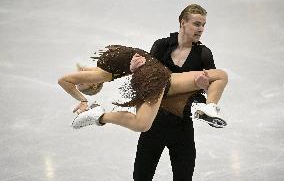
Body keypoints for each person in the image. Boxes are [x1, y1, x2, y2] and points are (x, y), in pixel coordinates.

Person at [131, 4, 218, 181]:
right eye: (196, 24)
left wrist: (204, 86)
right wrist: (135, 70)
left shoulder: (203, 54)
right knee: (140, 180)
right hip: (153, 124)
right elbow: (146, 81)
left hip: (182, 126)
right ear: (182, 22)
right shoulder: (161, 46)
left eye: (203, 25)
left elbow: (212, 88)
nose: (201, 29)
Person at [58, 43, 227, 133]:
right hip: (153, 76)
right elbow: (64, 80)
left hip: (162, 74)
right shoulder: (101, 74)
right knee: (141, 125)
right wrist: (82, 99)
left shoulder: (104, 65)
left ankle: (208, 107)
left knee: (220, 75)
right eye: (82, 83)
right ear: (93, 84)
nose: (79, 74)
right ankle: (100, 116)